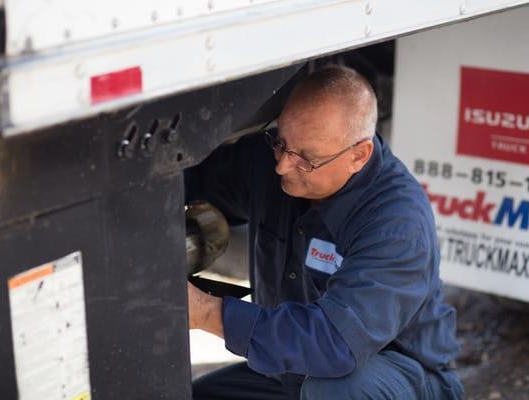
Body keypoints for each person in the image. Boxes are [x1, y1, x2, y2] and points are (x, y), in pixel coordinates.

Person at [185, 65, 463, 400]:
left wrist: (205, 312)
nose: (283, 166)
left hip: (396, 377)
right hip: (299, 372)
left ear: (358, 156)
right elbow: (191, 179)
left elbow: (334, 344)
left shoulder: (395, 223)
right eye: (280, 142)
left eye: (306, 159)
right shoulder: (273, 163)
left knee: (336, 390)